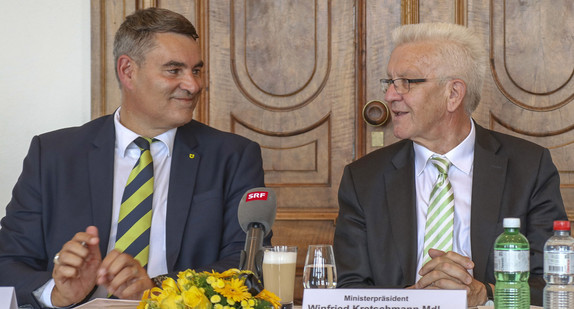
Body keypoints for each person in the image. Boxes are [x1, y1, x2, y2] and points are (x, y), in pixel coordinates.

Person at [0, 8, 267, 308]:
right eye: (174, 70)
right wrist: (56, 293)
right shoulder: (53, 155)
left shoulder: (233, 156)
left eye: (196, 70)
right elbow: (7, 262)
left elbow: (246, 268)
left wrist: (157, 290)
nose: (193, 85)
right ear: (127, 71)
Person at [333, 22, 567, 307]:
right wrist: (411, 299)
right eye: (390, 82)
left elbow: (553, 283)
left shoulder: (529, 167)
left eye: (406, 82)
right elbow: (349, 288)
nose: (390, 95)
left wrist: (486, 293)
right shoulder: (363, 178)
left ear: (453, 94)